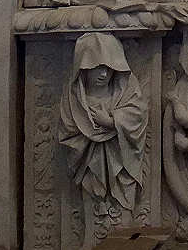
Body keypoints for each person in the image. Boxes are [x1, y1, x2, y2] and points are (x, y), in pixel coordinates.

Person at [58, 33, 148, 212]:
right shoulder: (73, 100)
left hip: (121, 170)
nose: (104, 74)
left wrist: (112, 122)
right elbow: (68, 133)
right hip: (89, 176)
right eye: (98, 67)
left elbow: (137, 113)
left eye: (110, 67)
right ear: (84, 67)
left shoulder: (126, 92)